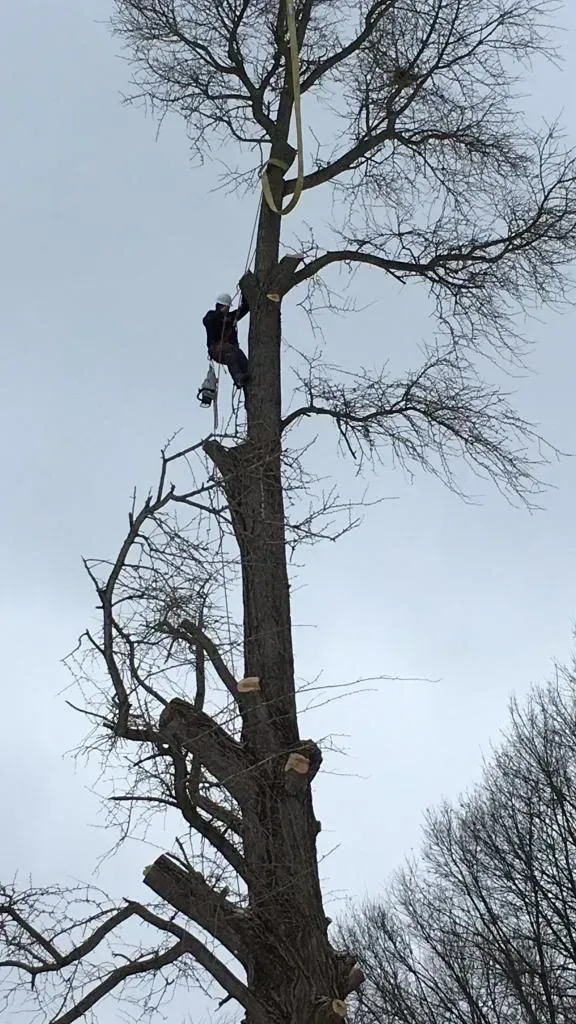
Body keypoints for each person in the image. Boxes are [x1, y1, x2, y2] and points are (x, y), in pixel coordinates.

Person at [202, 290, 250, 389]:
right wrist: (221, 315)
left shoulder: (230, 317)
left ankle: (247, 378)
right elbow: (207, 321)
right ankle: (238, 379)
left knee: (242, 359)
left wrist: (245, 293)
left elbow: (245, 309)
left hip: (231, 349)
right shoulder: (211, 316)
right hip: (217, 349)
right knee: (230, 352)